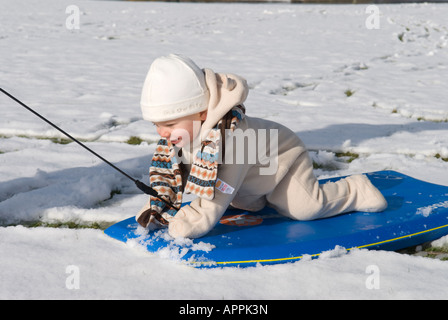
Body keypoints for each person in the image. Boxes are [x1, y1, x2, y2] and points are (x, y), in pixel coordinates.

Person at [136, 54, 387, 239]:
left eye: (168, 123)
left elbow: (222, 187)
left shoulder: (234, 137)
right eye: (156, 125)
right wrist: (159, 206)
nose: (161, 133)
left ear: (201, 112)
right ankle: (260, 197)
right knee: (246, 201)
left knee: (305, 208)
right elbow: (173, 175)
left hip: (281, 162)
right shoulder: (183, 134)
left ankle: (356, 190)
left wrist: (195, 220)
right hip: (251, 178)